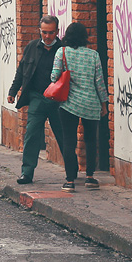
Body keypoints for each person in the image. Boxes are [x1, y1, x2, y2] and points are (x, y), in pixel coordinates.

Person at [6, 15, 71, 185]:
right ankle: (26, 173)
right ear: (39, 31)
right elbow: (21, 70)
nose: (47, 36)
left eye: (51, 33)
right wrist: (13, 90)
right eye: (44, 32)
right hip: (37, 97)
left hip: (59, 100)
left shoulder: (64, 50)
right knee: (32, 134)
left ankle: (72, 171)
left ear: (57, 31)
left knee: (64, 135)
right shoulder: (32, 47)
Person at [51, 21, 108, 192]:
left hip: (69, 104)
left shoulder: (62, 52)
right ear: (85, 37)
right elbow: (99, 82)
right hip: (91, 104)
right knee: (91, 140)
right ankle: (90, 177)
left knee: (69, 141)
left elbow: (54, 77)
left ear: (66, 36)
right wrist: (103, 104)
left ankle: (69, 181)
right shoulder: (93, 55)